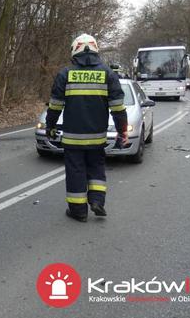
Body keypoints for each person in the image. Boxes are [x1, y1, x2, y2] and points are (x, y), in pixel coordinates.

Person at [45, 34, 128, 222]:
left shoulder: (65, 74)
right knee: (96, 169)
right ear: (96, 49)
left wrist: (50, 127)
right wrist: (122, 131)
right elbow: (118, 108)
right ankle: (97, 201)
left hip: (73, 139)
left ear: (75, 50)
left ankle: (78, 211)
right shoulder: (108, 74)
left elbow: (55, 106)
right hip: (97, 138)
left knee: (76, 172)